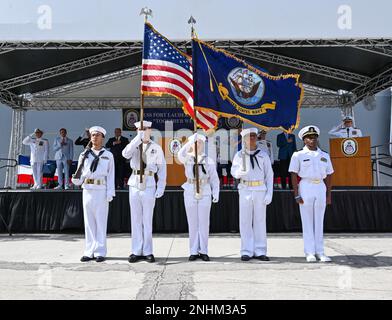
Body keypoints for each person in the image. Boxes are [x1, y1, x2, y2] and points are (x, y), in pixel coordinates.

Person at [122, 121, 166, 263]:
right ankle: (136, 250)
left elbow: (162, 168)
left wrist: (161, 187)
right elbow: (125, 154)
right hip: (135, 182)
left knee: (147, 219)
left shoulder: (156, 148)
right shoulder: (134, 145)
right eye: (139, 129)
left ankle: (148, 251)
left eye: (144, 129)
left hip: (149, 183)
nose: (142, 131)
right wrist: (137, 140)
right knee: (135, 219)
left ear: (150, 130)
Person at [289, 125, 334, 263]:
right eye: (309, 138)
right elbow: (293, 174)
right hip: (306, 185)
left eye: (314, 137)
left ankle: (320, 252)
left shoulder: (324, 155)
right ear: (304, 140)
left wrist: (328, 194)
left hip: (320, 186)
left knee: (319, 221)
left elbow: (329, 175)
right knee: (307, 221)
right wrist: (296, 194)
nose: (313, 140)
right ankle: (309, 252)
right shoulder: (298, 155)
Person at [72, 126, 115, 263]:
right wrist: (76, 178)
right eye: (92, 135)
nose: (95, 137)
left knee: (101, 222)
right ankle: (89, 251)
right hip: (88, 189)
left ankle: (100, 251)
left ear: (103, 138)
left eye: (97, 135)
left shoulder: (108, 155)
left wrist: (110, 192)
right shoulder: (84, 154)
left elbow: (111, 175)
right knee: (89, 222)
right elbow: (78, 177)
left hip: (101, 189)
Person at [231, 128, 274, 262]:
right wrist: (240, 172)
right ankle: (246, 250)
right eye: (249, 136)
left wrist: (269, 193)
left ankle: (260, 250)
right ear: (244, 139)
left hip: (260, 189)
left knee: (260, 221)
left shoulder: (263, 155)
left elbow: (269, 176)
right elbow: (234, 172)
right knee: (245, 221)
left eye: (254, 136)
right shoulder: (239, 155)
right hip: (245, 188)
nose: (252, 138)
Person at [177, 132, 220, 262]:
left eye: (200, 143)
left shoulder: (208, 160)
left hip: (205, 190)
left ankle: (204, 250)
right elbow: (179, 155)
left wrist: (215, 193)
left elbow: (214, 179)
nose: (198, 145)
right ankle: (193, 250)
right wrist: (189, 142)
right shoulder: (188, 158)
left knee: (204, 222)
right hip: (190, 189)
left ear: (203, 144)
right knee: (193, 222)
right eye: (196, 143)